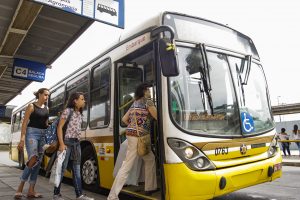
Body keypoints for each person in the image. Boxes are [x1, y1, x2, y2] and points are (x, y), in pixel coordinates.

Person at [107, 83, 158, 200]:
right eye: (148, 90)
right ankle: (112, 196)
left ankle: (150, 187)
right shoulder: (148, 102)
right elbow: (158, 117)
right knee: (127, 166)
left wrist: (134, 125)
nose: (150, 92)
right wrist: (144, 122)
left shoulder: (134, 104)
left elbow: (124, 119)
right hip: (140, 137)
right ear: (144, 91)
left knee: (149, 159)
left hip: (130, 135)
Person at [52, 92, 94, 200]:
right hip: (67, 143)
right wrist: (61, 144)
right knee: (61, 169)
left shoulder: (79, 114)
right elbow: (59, 128)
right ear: (75, 100)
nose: (84, 101)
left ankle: (79, 195)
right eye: (82, 99)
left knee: (76, 170)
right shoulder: (67, 111)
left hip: (76, 144)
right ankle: (56, 194)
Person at [15, 88, 50, 199]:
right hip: (32, 133)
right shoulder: (31, 106)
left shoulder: (47, 109)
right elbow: (24, 123)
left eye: (48, 95)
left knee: (38, 163)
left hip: (43, 135)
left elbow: (45, 124)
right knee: (33, 158)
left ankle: (31, 191)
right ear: (39, 94)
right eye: (45, 95)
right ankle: (20, 187)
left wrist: (51, 127)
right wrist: (22, 139)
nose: (47, 97)